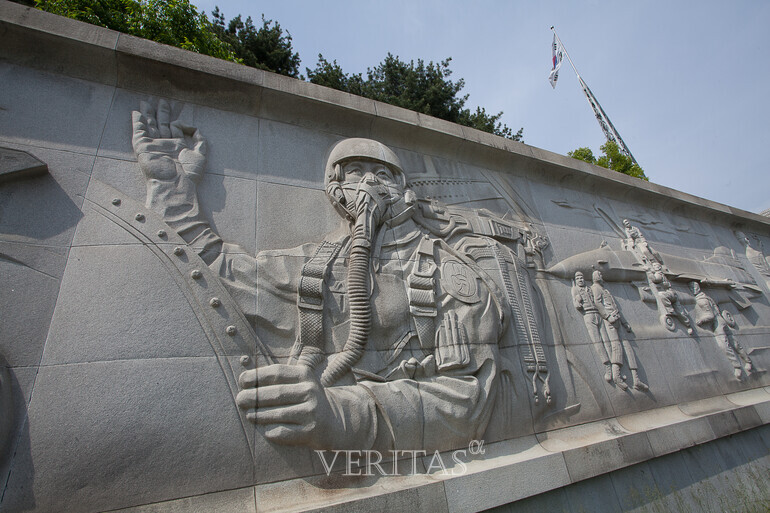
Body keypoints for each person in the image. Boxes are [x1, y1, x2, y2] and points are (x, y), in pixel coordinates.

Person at [131, 100, 515, 452]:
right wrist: (170, 187)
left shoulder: (447, 274)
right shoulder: (319, 261)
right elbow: (217, 270)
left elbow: (467, 400)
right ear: (335, 187)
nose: (369, 184)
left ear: (403, 189)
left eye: (382, 174)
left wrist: (340, 415)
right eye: (356, 172)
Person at [591, 271, 648, 391]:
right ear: (596, 277)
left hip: (617, 319)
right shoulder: (595, 288)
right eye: (599, 275)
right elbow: (597, 303)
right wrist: (607, 316)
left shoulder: (605, 289)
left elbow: (616, 308)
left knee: (627, 348)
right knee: (616, 347)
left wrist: (624, 322)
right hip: (610, 321)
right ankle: (616, 376)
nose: (601, 276)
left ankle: (636, 379)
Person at [689, 281, 752, 379]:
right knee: (734, 342)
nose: (692, 289)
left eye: (694, 287)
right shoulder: (707, 297)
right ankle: (747, 361)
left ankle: (737, 367)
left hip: (717, 323)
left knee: (723, 344)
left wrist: (701, 321)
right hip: (721, 321)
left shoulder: (702, 300)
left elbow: (710, 315)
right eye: (691, 287)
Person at [572, 271, 620, 387]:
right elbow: (577, 306)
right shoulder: (575, 290)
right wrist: (577, 300)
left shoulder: (590, 289)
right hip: (588, 316)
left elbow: (599, 301)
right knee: (597, 342)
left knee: (607, 342)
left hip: (598, 314)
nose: (580, 279)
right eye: (577, 277)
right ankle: (607, 366)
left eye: (581, 277)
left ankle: (615, 369)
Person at [648, 262, 693, 334]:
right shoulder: (660, 274)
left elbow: (655, 279)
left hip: (669, 293)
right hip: (672, 293)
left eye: (655, 266)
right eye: (653, 266)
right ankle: (688, 325)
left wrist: (648, 271)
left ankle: (670, 310)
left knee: (661, 295)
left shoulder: (659, 274)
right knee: (680, 311)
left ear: (659, 267)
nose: (653, 267)